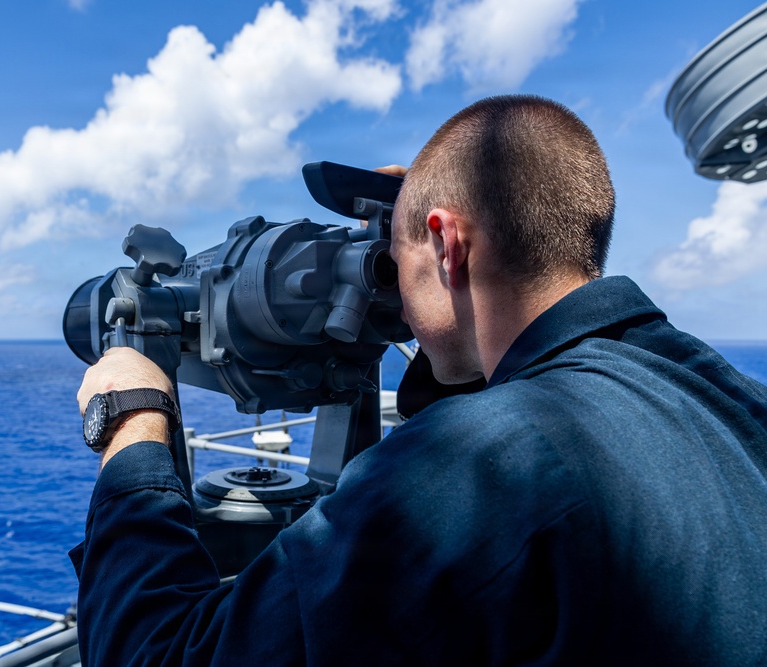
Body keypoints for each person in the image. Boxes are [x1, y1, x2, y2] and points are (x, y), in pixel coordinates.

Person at [69, 95, 767, 666]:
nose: (393, 297)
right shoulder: (725, 395)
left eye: (395, 259)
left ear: (447, 242)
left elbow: (153, 656)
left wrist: (134, 421)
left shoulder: (478, 475)